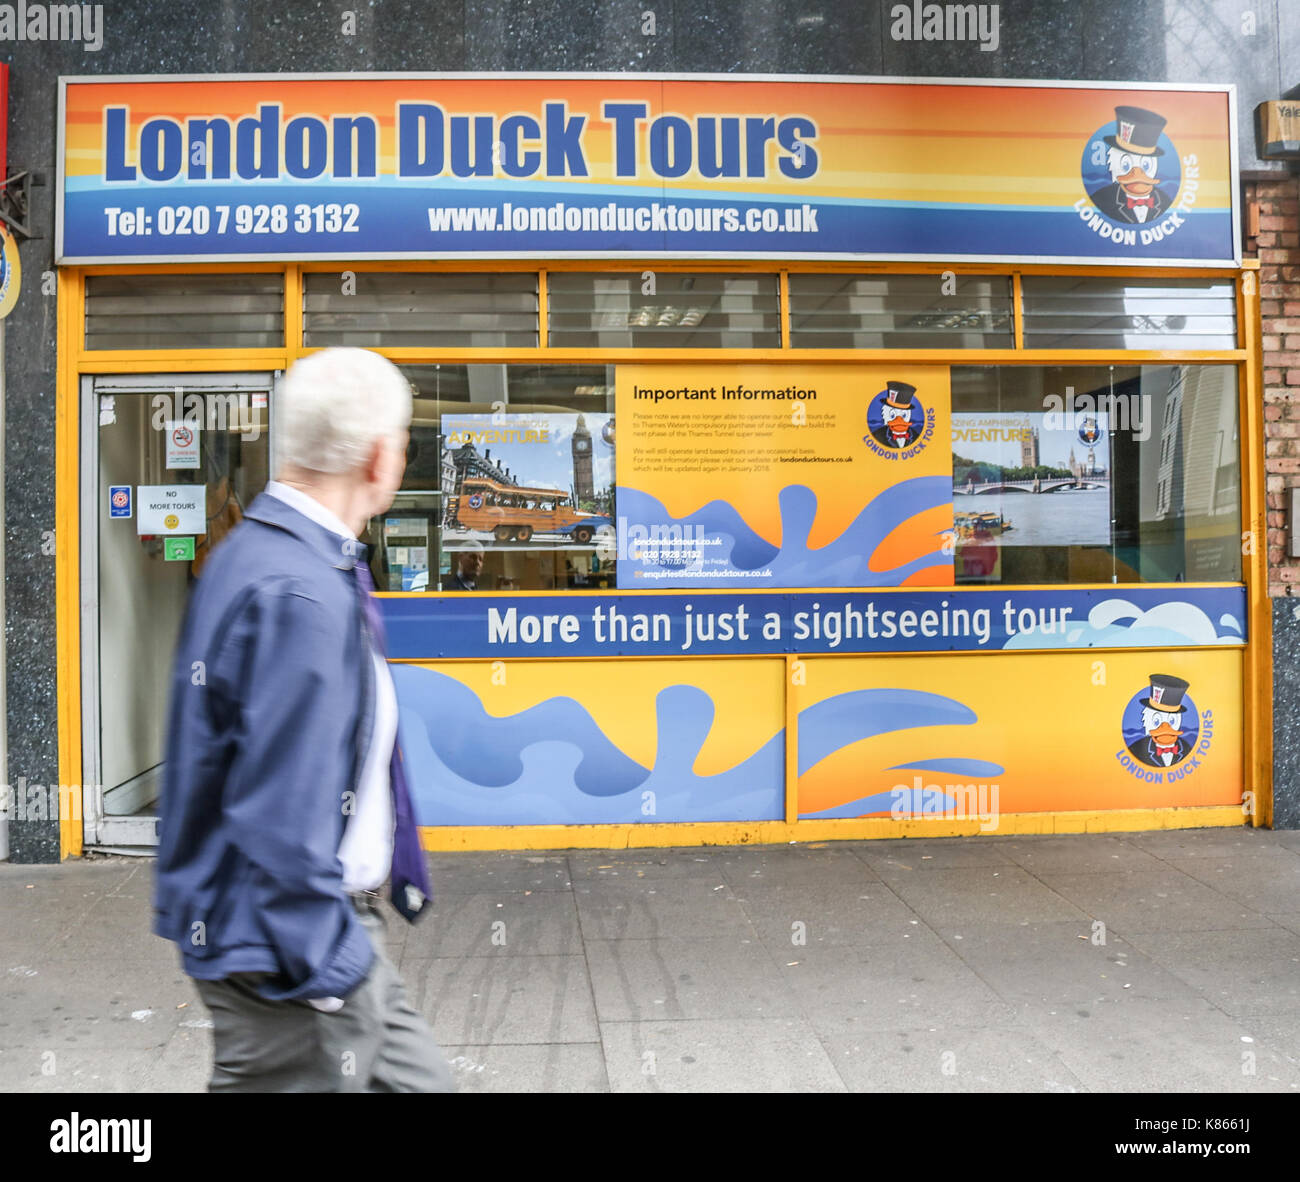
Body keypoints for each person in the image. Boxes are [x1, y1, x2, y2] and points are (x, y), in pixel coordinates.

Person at [153, 346, 455, 1093]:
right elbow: (279, 820)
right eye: (406, 440)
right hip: (292, 955)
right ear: (381, 458)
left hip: (317, 934)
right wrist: (333, 971)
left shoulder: (268, 556)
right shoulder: (298, 594)